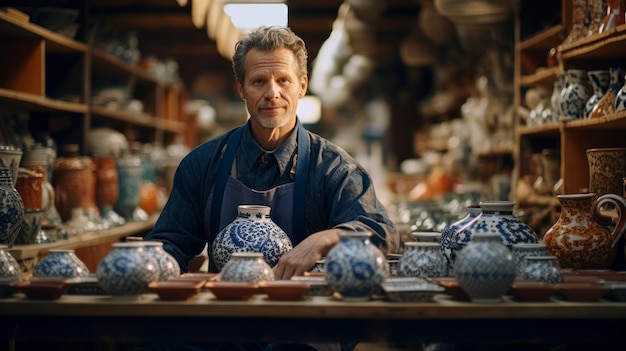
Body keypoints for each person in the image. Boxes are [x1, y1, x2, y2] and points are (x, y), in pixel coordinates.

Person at [141, 26, 399, 350]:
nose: (272, 93)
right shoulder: (203, 164)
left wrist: (323, 239)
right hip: (226, 322)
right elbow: (170, 243)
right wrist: (147, 265)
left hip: (308, 324)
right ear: (241, 88)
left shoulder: (333, 167)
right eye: (259, 81)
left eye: (283, 80)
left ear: (302, 86)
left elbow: (381, 231)